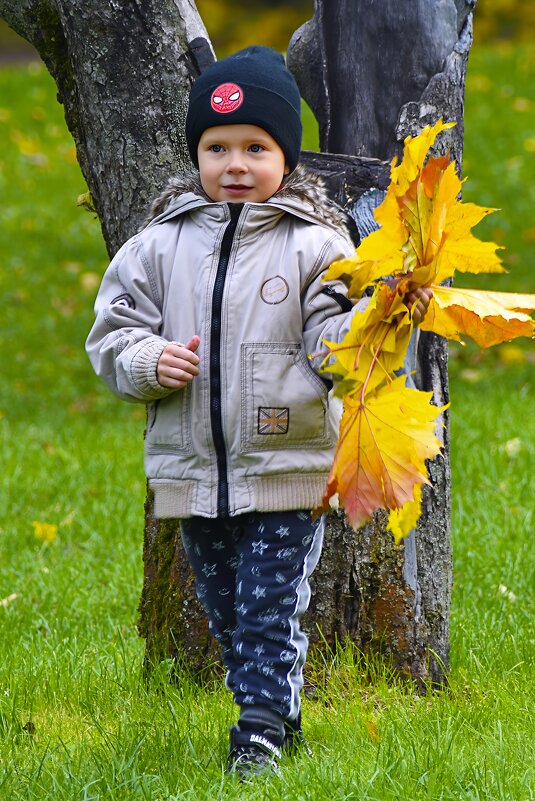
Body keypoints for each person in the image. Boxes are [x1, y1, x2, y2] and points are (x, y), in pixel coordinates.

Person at [86, 45, 431, 778]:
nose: (235, 163)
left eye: (255, 147)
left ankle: (258, 736)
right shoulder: (157, 245)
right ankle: (285, 714)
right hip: (191, 471)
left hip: (288, 465)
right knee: (229, 616)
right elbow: (112, 335)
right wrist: (150, 361)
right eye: (217, 148)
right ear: (196, 154)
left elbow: (330, 345)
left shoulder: (315, 244)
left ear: (285, 156)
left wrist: (379, 321)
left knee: (269, 610)